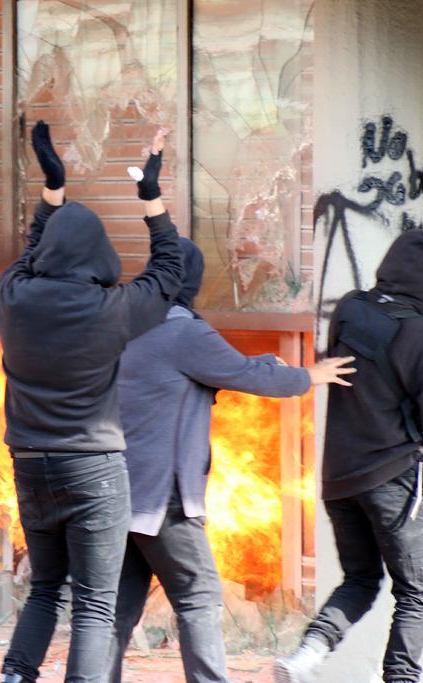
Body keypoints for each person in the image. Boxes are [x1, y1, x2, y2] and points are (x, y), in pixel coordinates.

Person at [106, 238, 356, 683]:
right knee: (199, 596)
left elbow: (200, 372)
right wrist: (308, 376)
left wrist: (262, 362)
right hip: (163, 498)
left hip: (117, 490)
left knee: (117, 609)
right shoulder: (181, 330)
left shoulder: (127, 325)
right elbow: (240, 374)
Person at [0, 122, 184, 683]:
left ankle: (13, 676)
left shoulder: (13, 297)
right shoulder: (113, 310)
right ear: (99, 254)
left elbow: (32, 252)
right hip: (94, 469)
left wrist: (52, 190)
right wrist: (151, 199)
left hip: (29, 465)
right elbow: (169, 270)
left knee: (45, 588)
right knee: (96, 605)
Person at [275, 229, 423, 683]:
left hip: (338, 478)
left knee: (360, 579)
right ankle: (401, 679)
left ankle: (306, 657)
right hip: (392, 479)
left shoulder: (350, 310)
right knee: (416, 593)